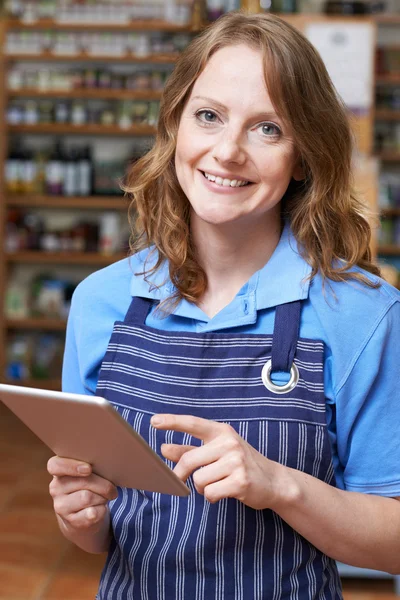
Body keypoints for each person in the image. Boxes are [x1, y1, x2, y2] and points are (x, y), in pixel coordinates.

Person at [47, 10, 400, 600]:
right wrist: (79, 517)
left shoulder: (363, 316)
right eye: (208, 116)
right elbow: (100, 536)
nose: (228, 151)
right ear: (176, 128)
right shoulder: (100, 303)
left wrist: (277, 484)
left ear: (304, 156)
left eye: (268, 129)